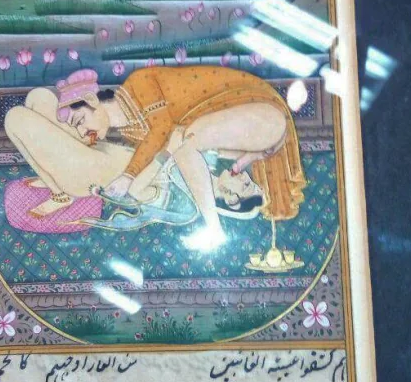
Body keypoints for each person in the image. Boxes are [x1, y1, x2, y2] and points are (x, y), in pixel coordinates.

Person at [56, 64, 306, 250]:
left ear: (92, 100)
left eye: (80, 121)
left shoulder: (138, 83)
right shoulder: (131, 131)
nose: (83, 132)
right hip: (263, 131)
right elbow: (179, 143)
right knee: (187, 143)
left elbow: (163, 129)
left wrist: (129, 175)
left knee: (187, 144)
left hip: (265, 114)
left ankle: (214, 230)